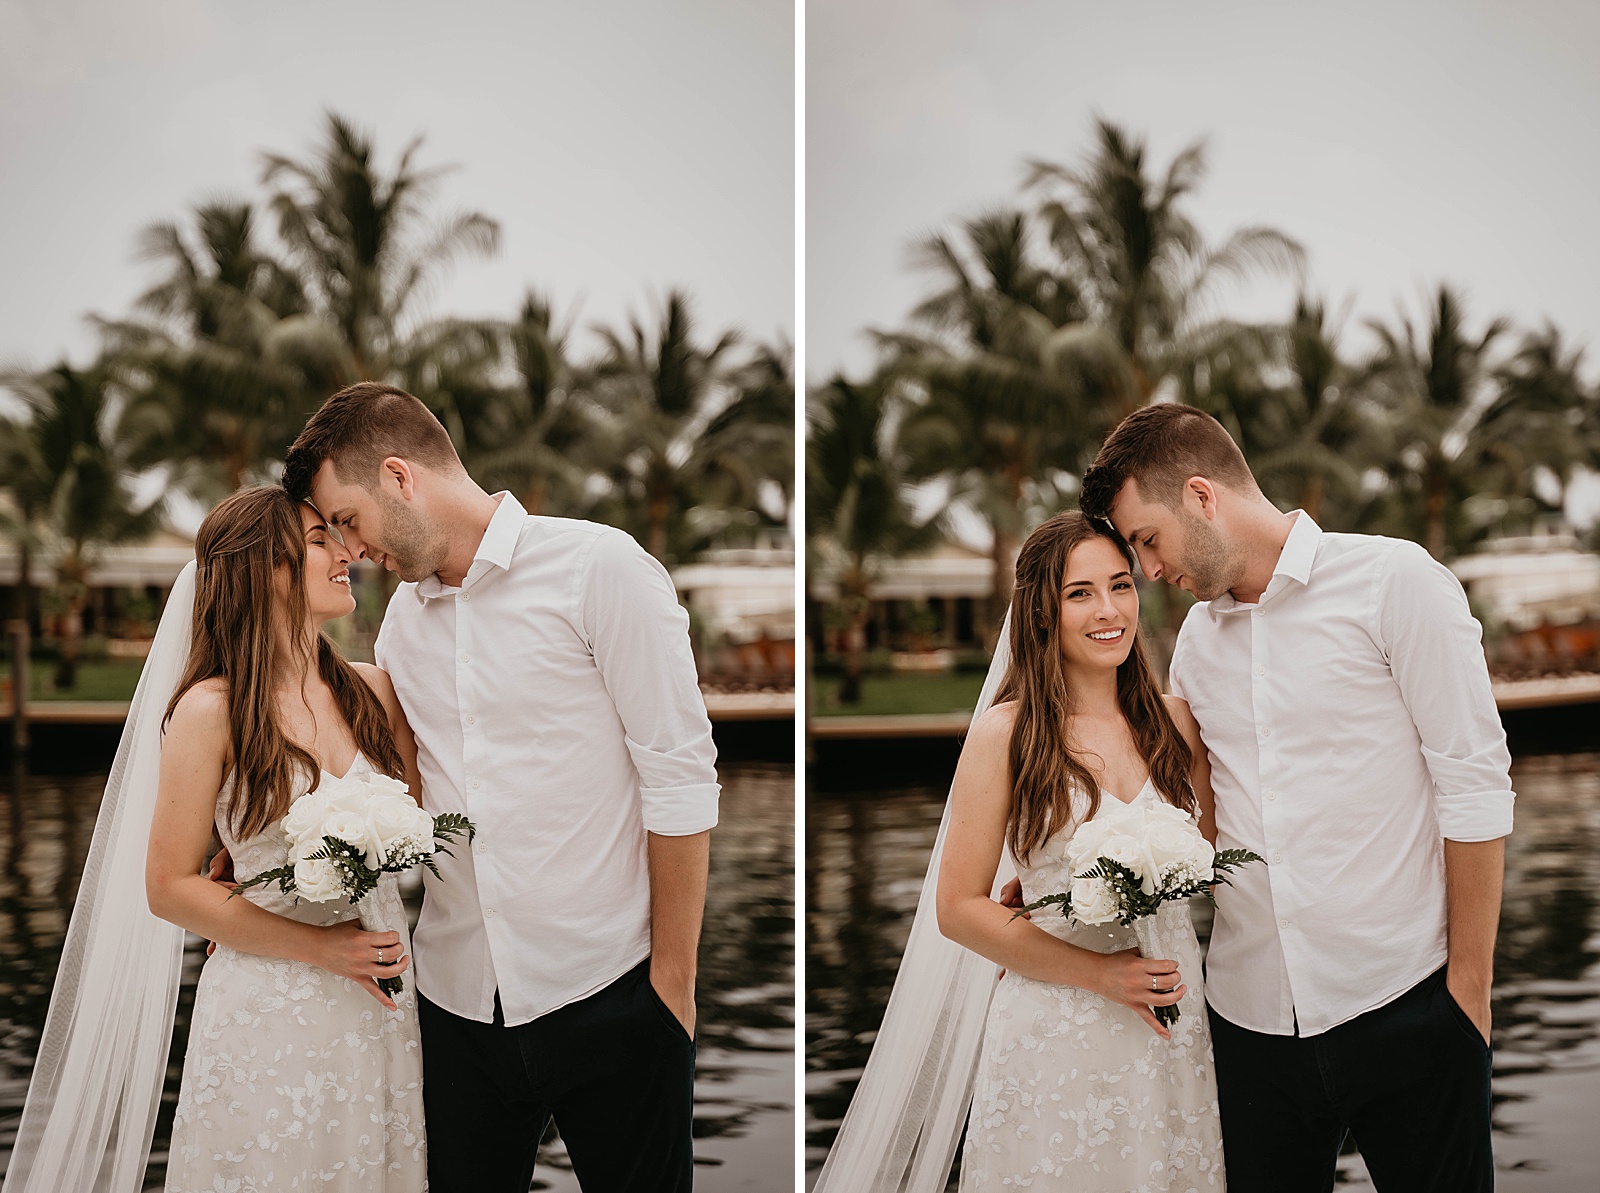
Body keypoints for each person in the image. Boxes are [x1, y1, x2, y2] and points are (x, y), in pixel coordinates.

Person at [281, 381, 719, 1193]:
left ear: (400, 476)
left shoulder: (601, 569)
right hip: (455, 1011)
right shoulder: (403, 624)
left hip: (614, 992)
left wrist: (673, 990)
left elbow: (681, 776)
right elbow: (398, 780)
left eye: (347, 518)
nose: (349, 547)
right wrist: (257, 872)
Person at [1075, 402, 1513, 1193]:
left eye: (1146, 539)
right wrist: (1059, 889)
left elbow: (1475, 784)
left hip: (1409, 1004)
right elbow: (1193, 817)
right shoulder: (1197, 645)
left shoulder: (1396, 582)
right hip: (1250, 1030)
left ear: (1202, 497)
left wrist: (1468, 997)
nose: (1146, 568)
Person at [4, 485, 429, 1193]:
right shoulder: (210, 710)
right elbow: (168, 885)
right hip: (271, 1006)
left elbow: (424, 825)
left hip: (381, 1005)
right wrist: (325, 945)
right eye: (319, 540)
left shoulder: (375, 692)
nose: (346, 552)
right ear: (267, 571)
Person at [936, 511, 1224, 1190]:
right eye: (1080, 592)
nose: (1108, 610)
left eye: (1121, 585)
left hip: (1171, 1024)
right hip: (1058, 1026)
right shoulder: (1006, 735)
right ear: (1042, 612)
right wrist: (1097, 973)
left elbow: (1215, 851)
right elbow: (956, 907)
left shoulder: (1175, 721)